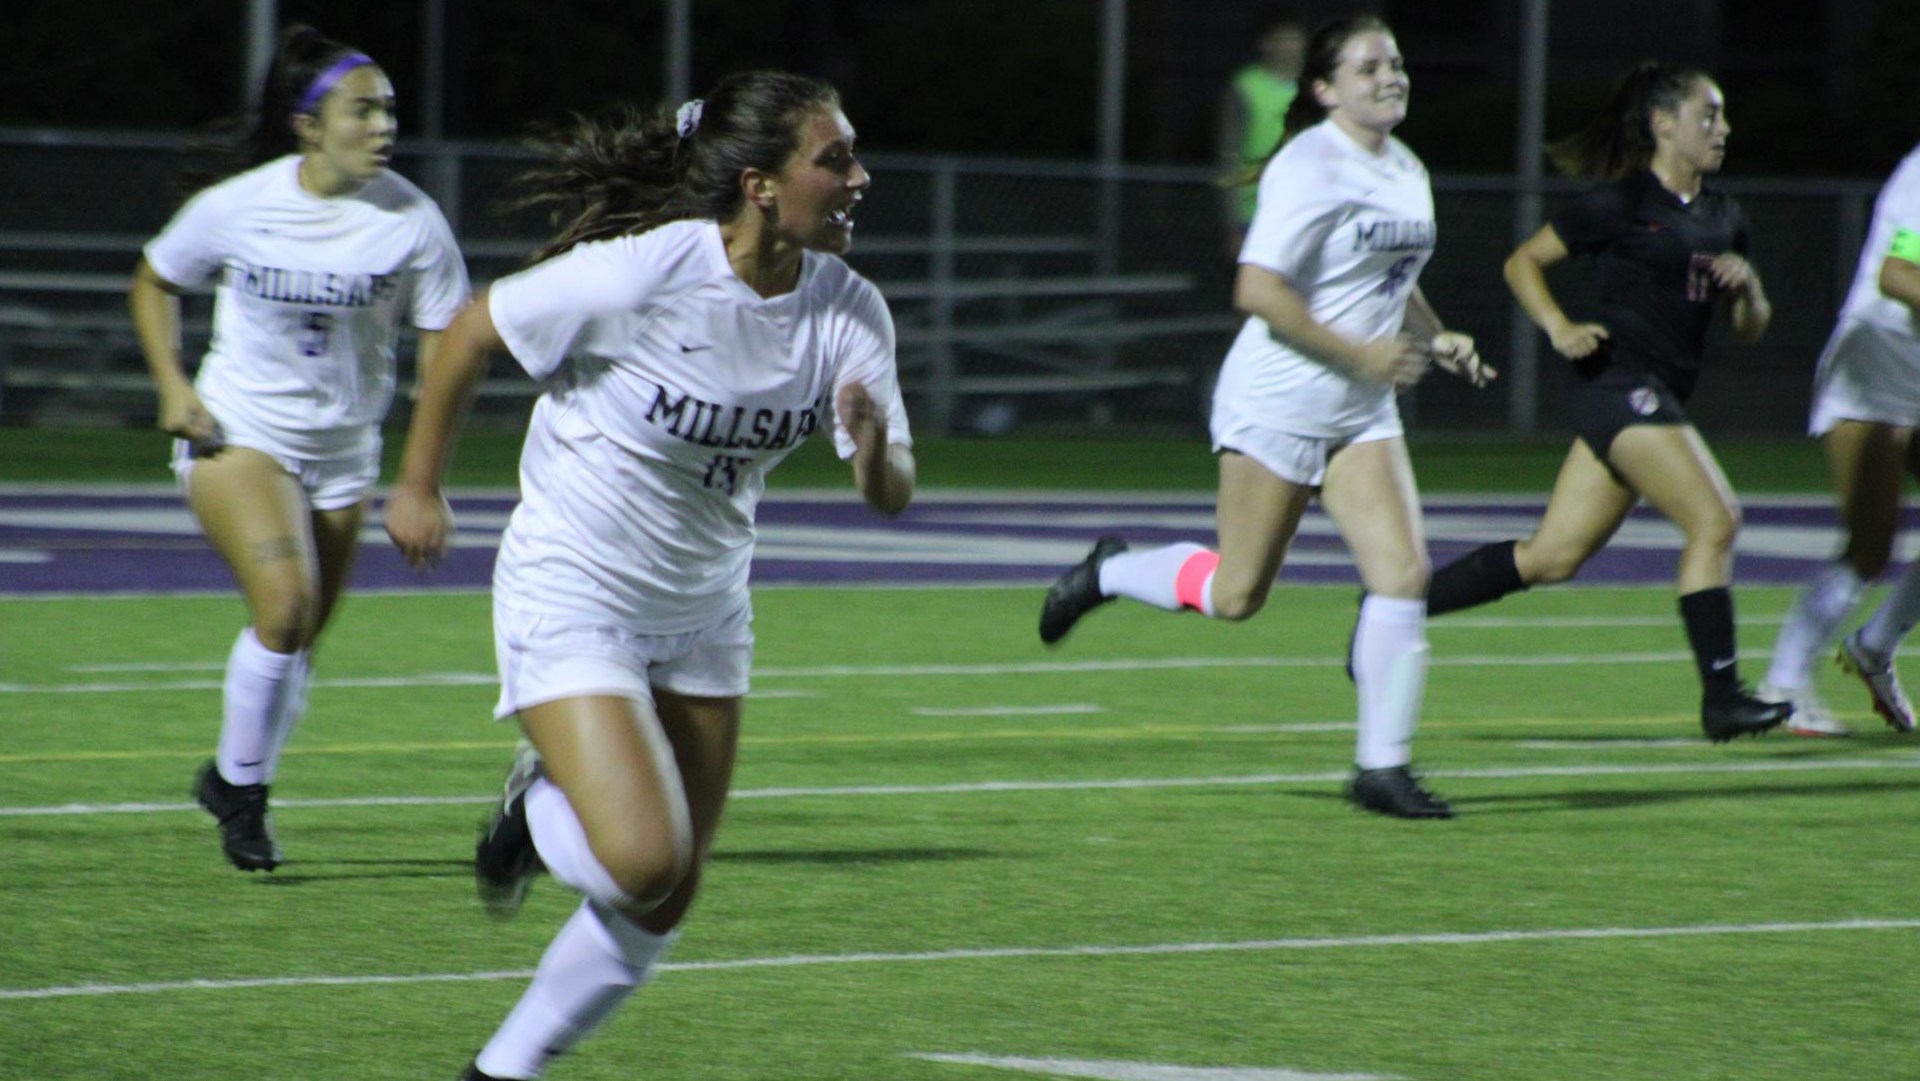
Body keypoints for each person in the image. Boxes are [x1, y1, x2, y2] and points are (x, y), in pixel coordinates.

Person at [382, 71, 914, 1081]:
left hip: (706, 610)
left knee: (669, 891)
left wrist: (877, 444)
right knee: (643, 858)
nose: (860, 176)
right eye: (834, 158)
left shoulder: (851, 309)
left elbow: (890, 492)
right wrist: (419, 484)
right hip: (575, 585)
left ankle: (502, 1069)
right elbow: (470, 328)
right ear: (760, 184)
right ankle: (537, 816)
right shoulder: (644, 274)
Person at [1039, 14, 1495, 821]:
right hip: (1279, 401)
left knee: (1404, 576)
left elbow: (1393, 276)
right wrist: (1361, 354)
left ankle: (1381, 769)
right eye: (1368, 67)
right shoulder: (1309, 164)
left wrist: (1437, 334)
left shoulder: (1405, 165)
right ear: (1324, 89)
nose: (1391, 75)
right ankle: (1109, 570)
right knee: (1237, 593)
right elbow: (1257, 288)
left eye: (1395, 61)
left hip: (1360, 410)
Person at [129, 25, 470, 871]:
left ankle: (233, 775)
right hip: (238, 432)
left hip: (344, 452)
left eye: (389, 109)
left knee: (300, 637)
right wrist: (174, 387)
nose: (384, 125)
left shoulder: (414, 222)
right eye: (364, 110)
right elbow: (155, 279)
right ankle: (244, 805)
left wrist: (421, 481)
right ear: (308, 125)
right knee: (283, 609)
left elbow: (448, 351)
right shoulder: (239, 204)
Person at [1418, 61, 1789, 744]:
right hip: (1615, 383)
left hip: (1655, 395)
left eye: (1722, 115)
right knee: (1716, 521)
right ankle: (1723, 696)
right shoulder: (1621, 204)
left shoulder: (1725, 217)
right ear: (1664, 124)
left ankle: (1396, 607)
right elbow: (1521, 262)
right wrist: (1559, 326)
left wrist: (1750, 292)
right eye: (1709, 115)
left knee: (1551, 557)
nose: (1723, 129)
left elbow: (1749, 328)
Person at [1759, 143, 1920, 737]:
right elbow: (1898, 274)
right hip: (1874, 369)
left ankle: (1874, 647)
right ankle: (1784, 681)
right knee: (1870, 546)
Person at [1219, 7, 1309, 253]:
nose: (1290, 46)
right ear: (1265, 44)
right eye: (1282, 40)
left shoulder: (1316, 88)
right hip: (1253, 212)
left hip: (1304, 211)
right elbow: (1228, 151)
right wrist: (1231, 220)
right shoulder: (1245, 86)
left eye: (1295, 39)